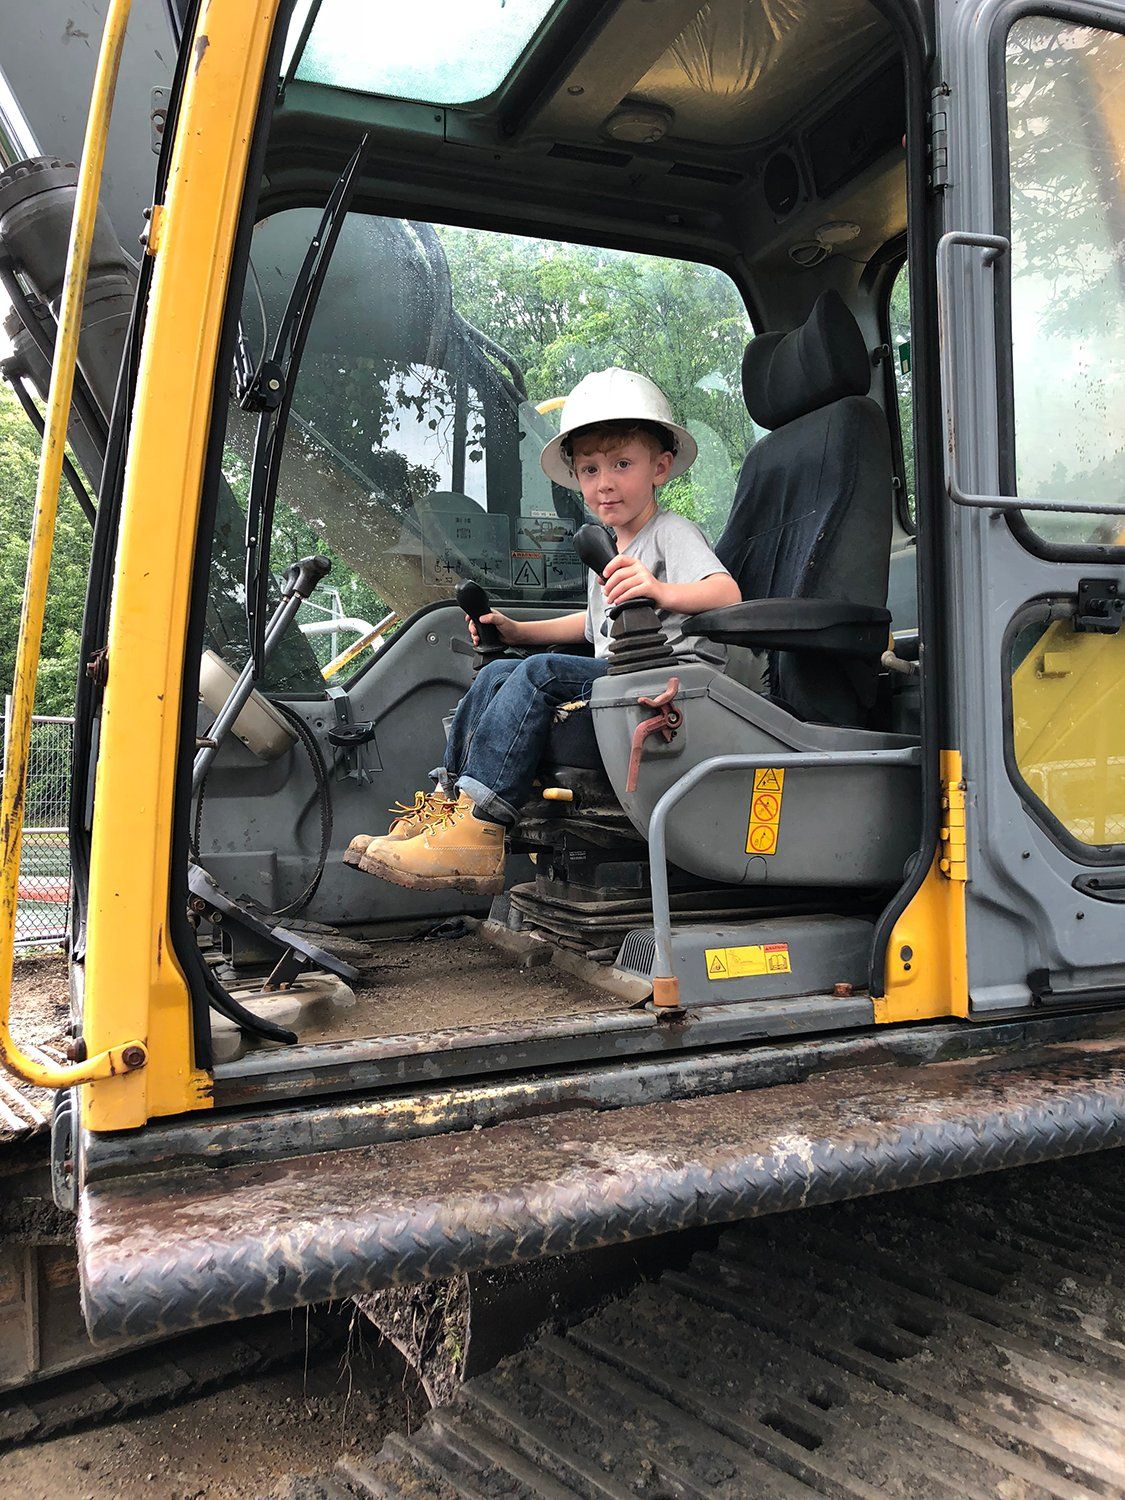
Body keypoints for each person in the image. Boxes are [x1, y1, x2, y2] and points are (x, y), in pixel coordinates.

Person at [345, 368, 741, 893]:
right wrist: (516, 631)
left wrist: (660, 590)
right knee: (497, 676)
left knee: (538, 674)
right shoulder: (610, 546)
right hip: (621, 676)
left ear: (660, 468)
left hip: (670, 688)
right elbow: (593, 625)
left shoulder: (670, 532)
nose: (605, 482)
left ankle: (482, 823)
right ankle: (449, 808)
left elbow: (726, 594)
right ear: (576, 478)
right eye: (590, 469)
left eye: (623, 464)